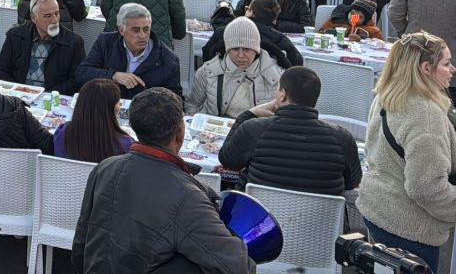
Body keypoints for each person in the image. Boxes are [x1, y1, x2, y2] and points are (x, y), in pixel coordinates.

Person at [72, 87, 253, 273]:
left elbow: (80, 245)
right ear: (180, 134)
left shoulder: (106, 167)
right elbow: (238, 267)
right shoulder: (188, 197)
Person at [358, 32, 456, 272]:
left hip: (378, 210)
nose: (452, 69)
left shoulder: (387, 94)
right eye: (446, 63)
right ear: (425, 68)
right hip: (410, 229)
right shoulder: (427, 115)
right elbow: (426, 188)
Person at [218, 65, 361, 196]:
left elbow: (227, 161)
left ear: (282, 94)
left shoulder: (255, 129)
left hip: (259, 219)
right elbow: (352, 182)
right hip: (320, 222)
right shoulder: (342, 138)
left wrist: (248, 114)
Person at [78, 2, 182, 98]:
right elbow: (82, 73)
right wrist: (113, 75)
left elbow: (176, 99)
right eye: (136, 30)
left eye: (146, 29)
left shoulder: (168, 60)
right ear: (121, 30)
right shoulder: (105, 42)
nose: (142, 36)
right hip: (106, 106)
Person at [185, 18, 281, 117]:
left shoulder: (277, 75)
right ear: (227, 49)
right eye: (235, 49)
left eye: (247, 49)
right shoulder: (208, 71)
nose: (240, 55)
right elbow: (192, 104)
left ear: (256, 49)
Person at [0, 0, 87, 94]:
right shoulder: (15, 36)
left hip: (51, 99)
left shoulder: (73, 42)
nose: (55, 20)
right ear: (34, 18)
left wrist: (48, 94)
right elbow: (0, 71)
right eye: (48, 16)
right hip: (18, 95)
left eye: (57, 13)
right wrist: (18, 91)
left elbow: (77, 80)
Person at [53, 78, 133, 163]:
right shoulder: (125, 145)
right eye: (118, 102)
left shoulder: (62, 133)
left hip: (66, 176)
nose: (120, 106)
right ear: (113, 108)